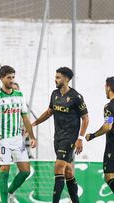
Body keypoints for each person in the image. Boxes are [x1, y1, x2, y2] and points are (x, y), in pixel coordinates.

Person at [32, 67, 89, 203]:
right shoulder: (55, 94)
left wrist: (80, 139)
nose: (55, 79)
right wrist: (33, 124)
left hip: (70, 139)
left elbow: (86, 118)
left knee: (58, 168)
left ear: (67, 79)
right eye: (55, 77)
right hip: (57, 138)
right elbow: (49, 112)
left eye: (58, 77)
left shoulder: (76, 97)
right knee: (69, 172)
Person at [0, 65, 37, 203]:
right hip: (3, 140)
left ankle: (9, 192)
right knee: (4, 171)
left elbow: (25, 118)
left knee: (25, 171)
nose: (11, 80)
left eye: (13, 77)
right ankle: (4, 201)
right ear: (1, 78)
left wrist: (32, 137)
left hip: (18, 140)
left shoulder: (19, 95)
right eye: (9, 77)